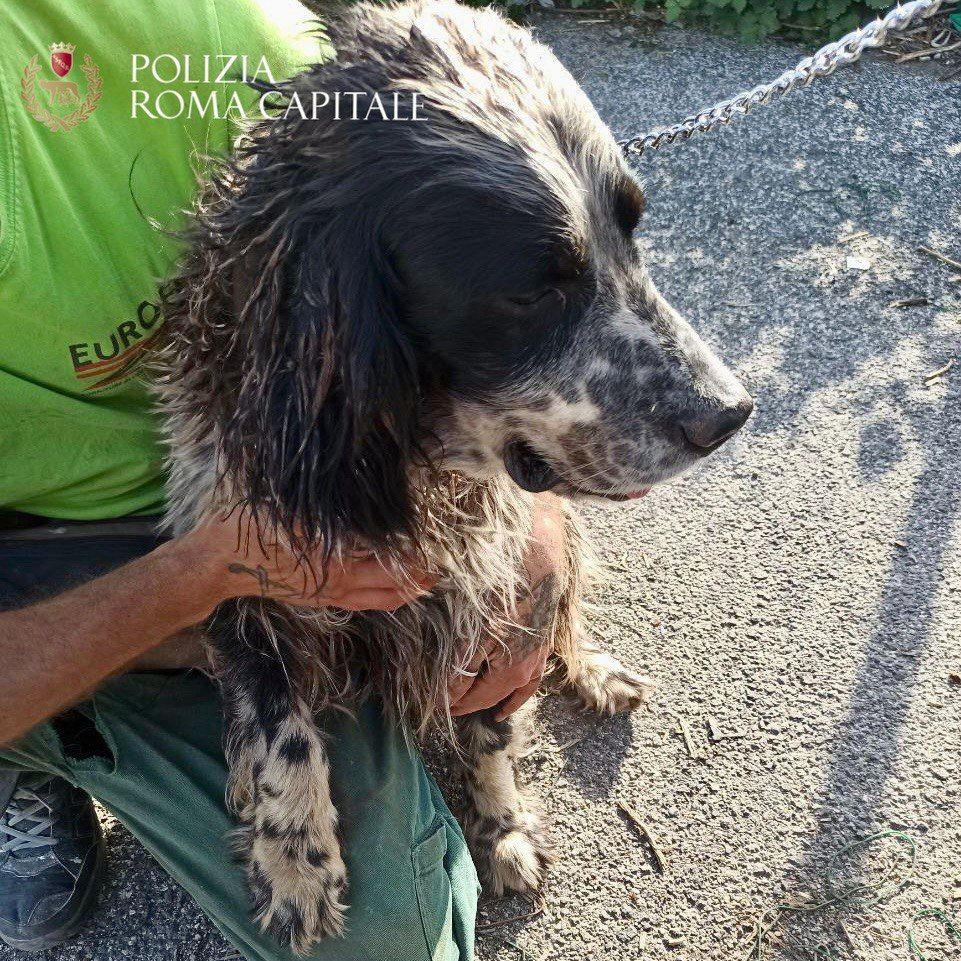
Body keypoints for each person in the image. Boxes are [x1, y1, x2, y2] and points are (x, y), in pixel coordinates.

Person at [0, 2, 566, 958]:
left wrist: (532, 510)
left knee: (384, 930)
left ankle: (484, 768)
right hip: (39, 557)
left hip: (261, 471)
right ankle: (29, 750)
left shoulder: (188, 33)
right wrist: (207, 572)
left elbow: (448, 254)